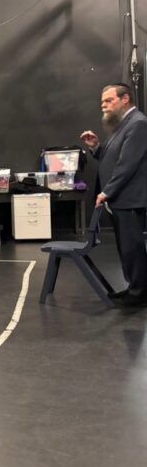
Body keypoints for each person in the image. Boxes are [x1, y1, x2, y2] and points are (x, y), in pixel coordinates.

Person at [80, 83, 147, 306]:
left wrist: (107, 191)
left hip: (129, 198)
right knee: (126, 247)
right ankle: (133, 288)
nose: (104, 106)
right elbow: (112, 158)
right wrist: (96, 147)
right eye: (102, 102)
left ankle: (139, 294)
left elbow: (127, 165)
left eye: (109, 100)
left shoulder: (138, 124)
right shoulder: (123, 125)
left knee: (132, 247)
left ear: (125, 99)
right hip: (121, 199)